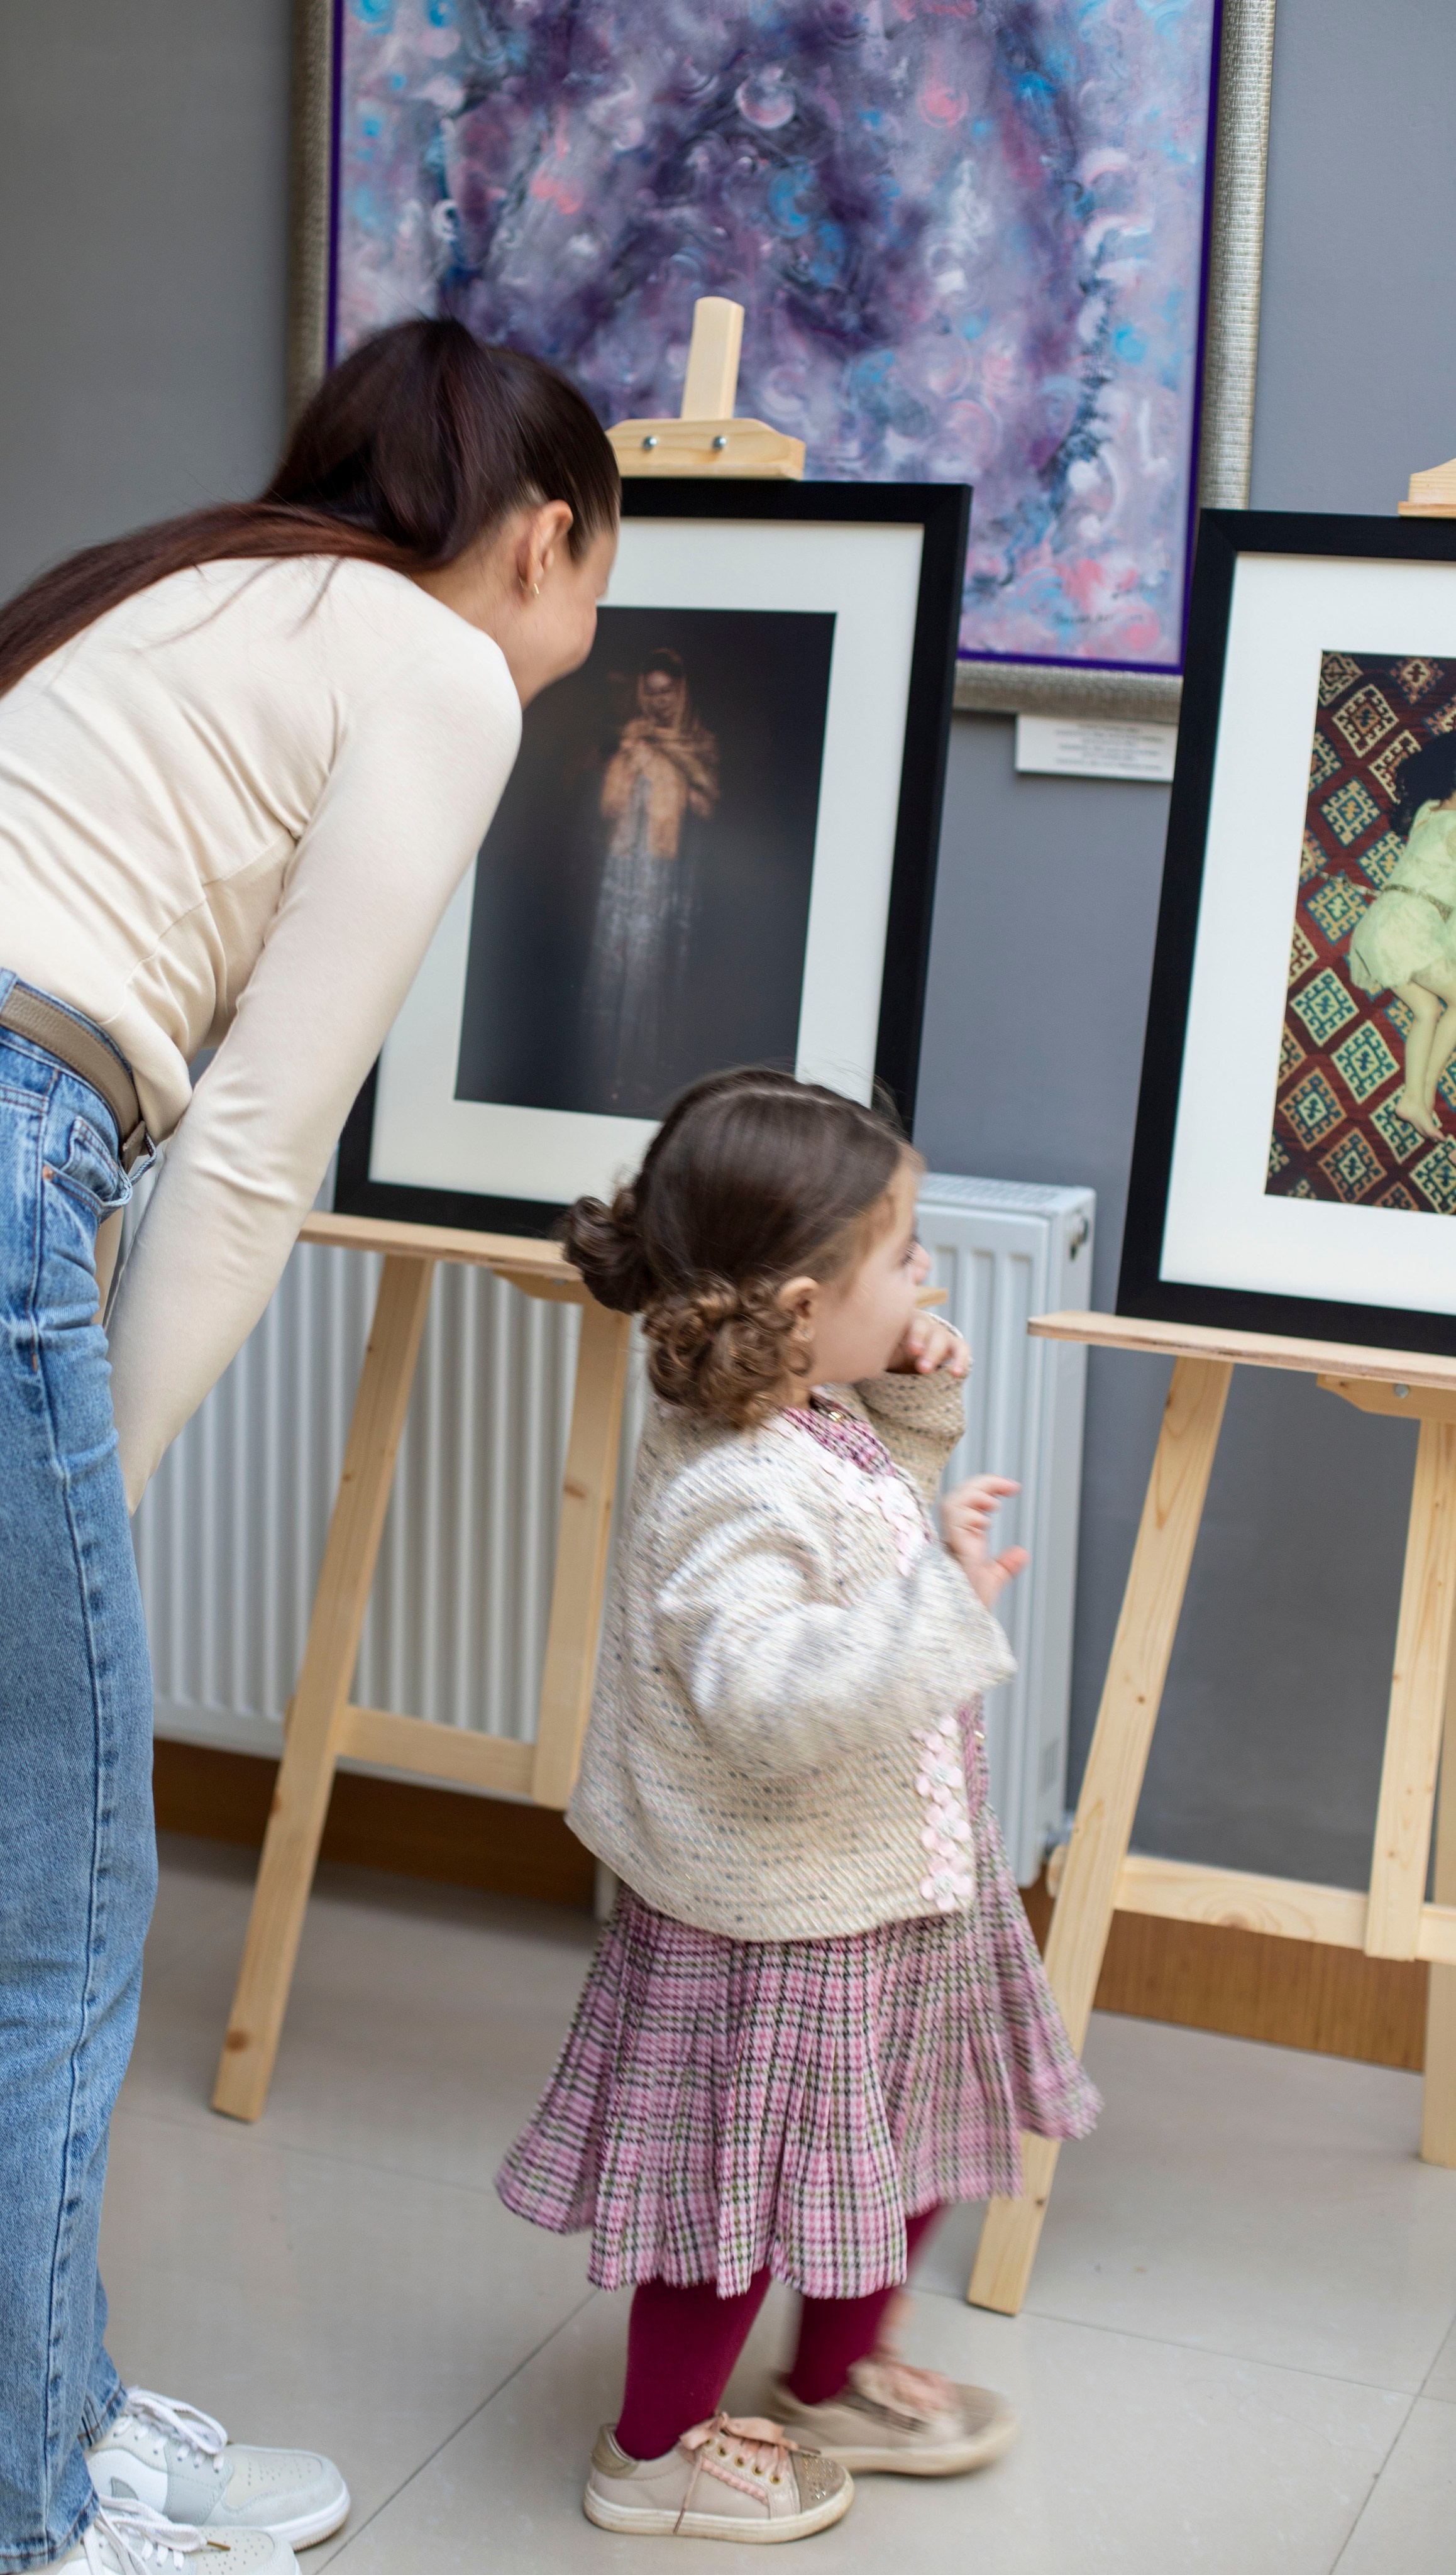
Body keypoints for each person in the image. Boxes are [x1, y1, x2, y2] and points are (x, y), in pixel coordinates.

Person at [0, 317, 619, 2575]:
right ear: (539, 535)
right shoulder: (436, 667)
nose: (582, 628)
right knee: (55, 1896)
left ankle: (57, 2410)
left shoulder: (175, 585)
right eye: (600, 577)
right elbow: (254, 1149)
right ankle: (33, 2505)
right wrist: (104, 1488)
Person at [497, 1067, 1099, 2545]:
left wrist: (905, 1404)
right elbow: (767, 1695)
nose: (928, 1270)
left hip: (881, 1889)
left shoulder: (791, 1409)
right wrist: (944, 1606)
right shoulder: (728, 1482)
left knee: (901, 2147)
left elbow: (854, 1533)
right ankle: (651, 2453)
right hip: (780, 1928)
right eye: (903, 1252)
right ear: (799, 1304)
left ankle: (826, 2382)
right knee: (739, 2204)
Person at [582, 648, 719, 1110]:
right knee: (618, 966)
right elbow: (608, 809)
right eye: (653, 692)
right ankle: (607, 1072)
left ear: (681, 692)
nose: (660, 702)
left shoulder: (698, 742)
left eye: (668, 692)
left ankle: (646, 1076)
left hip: (668, 877)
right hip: (623, 871)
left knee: (653, 970)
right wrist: (627, 762)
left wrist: (679, 772)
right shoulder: (632, 738)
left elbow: (708, 807)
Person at [1348, 734, 1456, 1138]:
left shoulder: (1428, 811)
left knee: (1427, 1010)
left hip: (1380, 927)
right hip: (1410, 928)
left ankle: (1414, 1102)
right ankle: (1423, 1092)